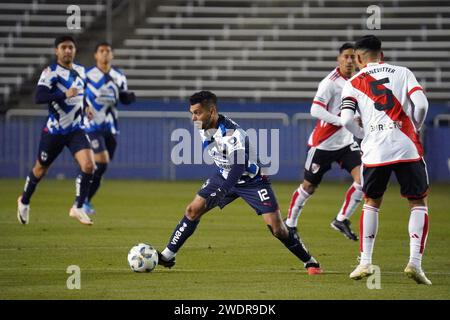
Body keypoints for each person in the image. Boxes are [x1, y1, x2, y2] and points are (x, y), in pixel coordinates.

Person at [157, 91, 322, 275]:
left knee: (278, 229)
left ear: (211, 111)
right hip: (224, 174)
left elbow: (238, 165)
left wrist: (222, 190)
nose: (193, 118)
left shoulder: (231, 133)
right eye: (191, 113)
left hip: (253, 181)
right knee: (192, 210)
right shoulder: (201, 125)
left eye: (197, 112)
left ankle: (310, 261)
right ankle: (167, 255)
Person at [340, 35, 431, 285]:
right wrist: (416, 127)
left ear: (359, 58)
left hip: (375, 150)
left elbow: (346, 120)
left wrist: (363, 135)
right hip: (406, 146)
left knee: (371, 202)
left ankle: (365, 262)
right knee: (417, 201)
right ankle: (414, 263)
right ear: (382, 54)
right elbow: (421, 104)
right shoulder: (403, 72)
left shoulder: (353, 82)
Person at [286, 43, 362, 241]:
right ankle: (290, 224)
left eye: (353, 57)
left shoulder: (358, 80)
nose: (349, 60)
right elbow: (315, 110)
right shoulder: (330, 82)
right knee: (309, 187)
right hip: (323, 144)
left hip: (346, 144)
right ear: (339, 59)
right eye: (346, 56)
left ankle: (341, 219)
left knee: (363, 181)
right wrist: (342, 121)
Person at [16, 35, 95, 226]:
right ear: (56, 51)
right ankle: (24, 201)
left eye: (70, 47)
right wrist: (63, 94)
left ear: (74, 50)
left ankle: (77, 207)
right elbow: (40, 96)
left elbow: (81, 93)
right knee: (40, 169)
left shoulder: (81, 71)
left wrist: (87, 106)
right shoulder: (50, 72)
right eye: (64, 47)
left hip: (76, 129)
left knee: (89, 166)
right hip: (54, 131)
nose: (68, 50)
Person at [83, 42, 135, 214]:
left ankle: (85, 200)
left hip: (111, 127)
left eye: (108, 51)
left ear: (112, 55)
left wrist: (129, 97)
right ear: (96, 55)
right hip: (92, 126)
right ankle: (81, 197)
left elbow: (124, 98)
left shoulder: (119, 75)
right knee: (101, 161)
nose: (105, 54)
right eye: (101, 51)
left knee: (102, 167)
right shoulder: (87, 75)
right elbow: (78, 95)